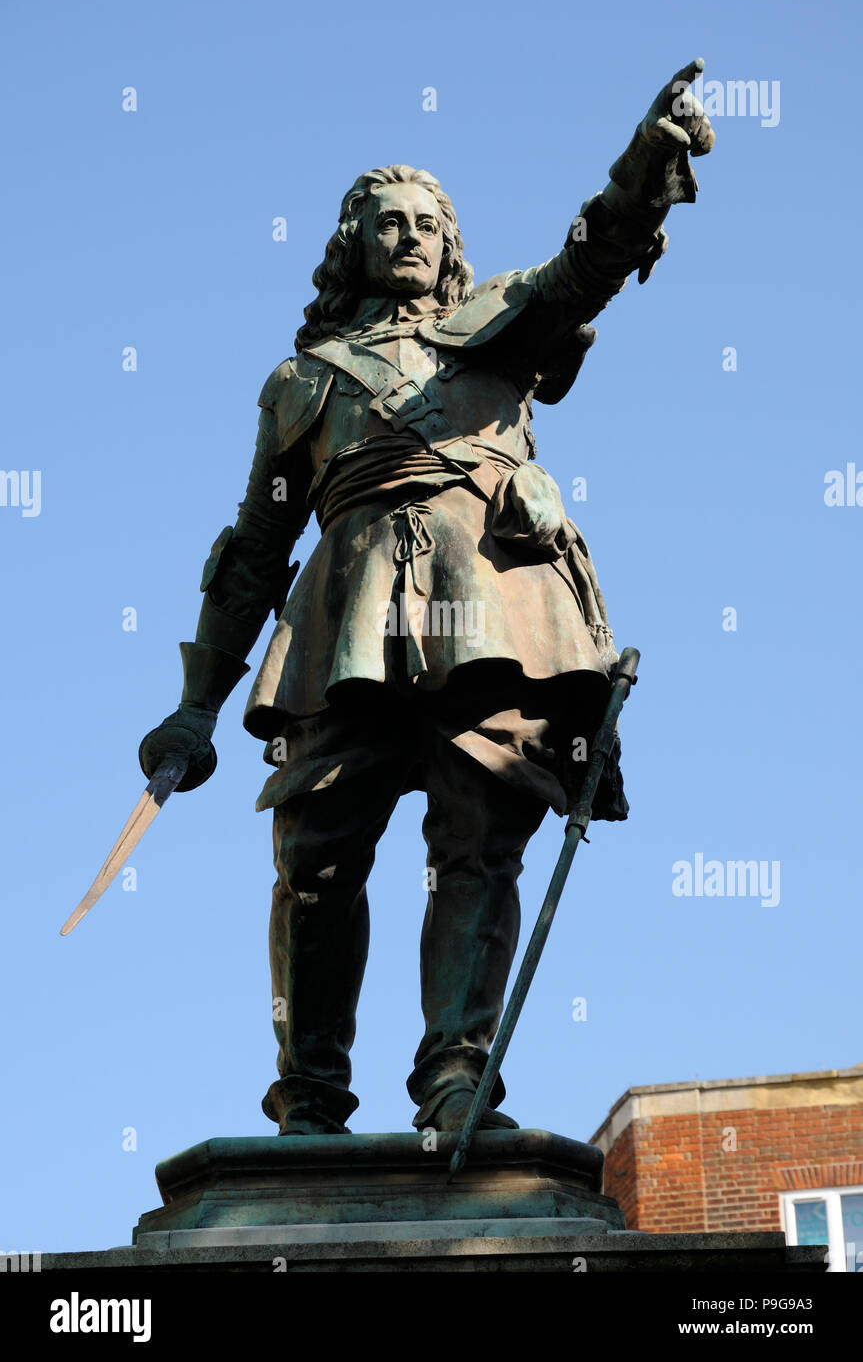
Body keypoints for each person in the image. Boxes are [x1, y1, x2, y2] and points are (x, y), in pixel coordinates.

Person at [139, 61, 714, 1135]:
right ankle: (309, 1092)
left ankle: (455, 1076)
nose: (405, 234)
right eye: (384, 221)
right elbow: (255, 547)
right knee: (314, 854)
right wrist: (194, 707)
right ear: (352, 244)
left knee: (475, 838)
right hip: (341, 619)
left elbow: (589, 261)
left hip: (487, 604)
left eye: (423, 222)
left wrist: (645, 167)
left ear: (450, 246)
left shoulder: (505, 322)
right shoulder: (299, 381)